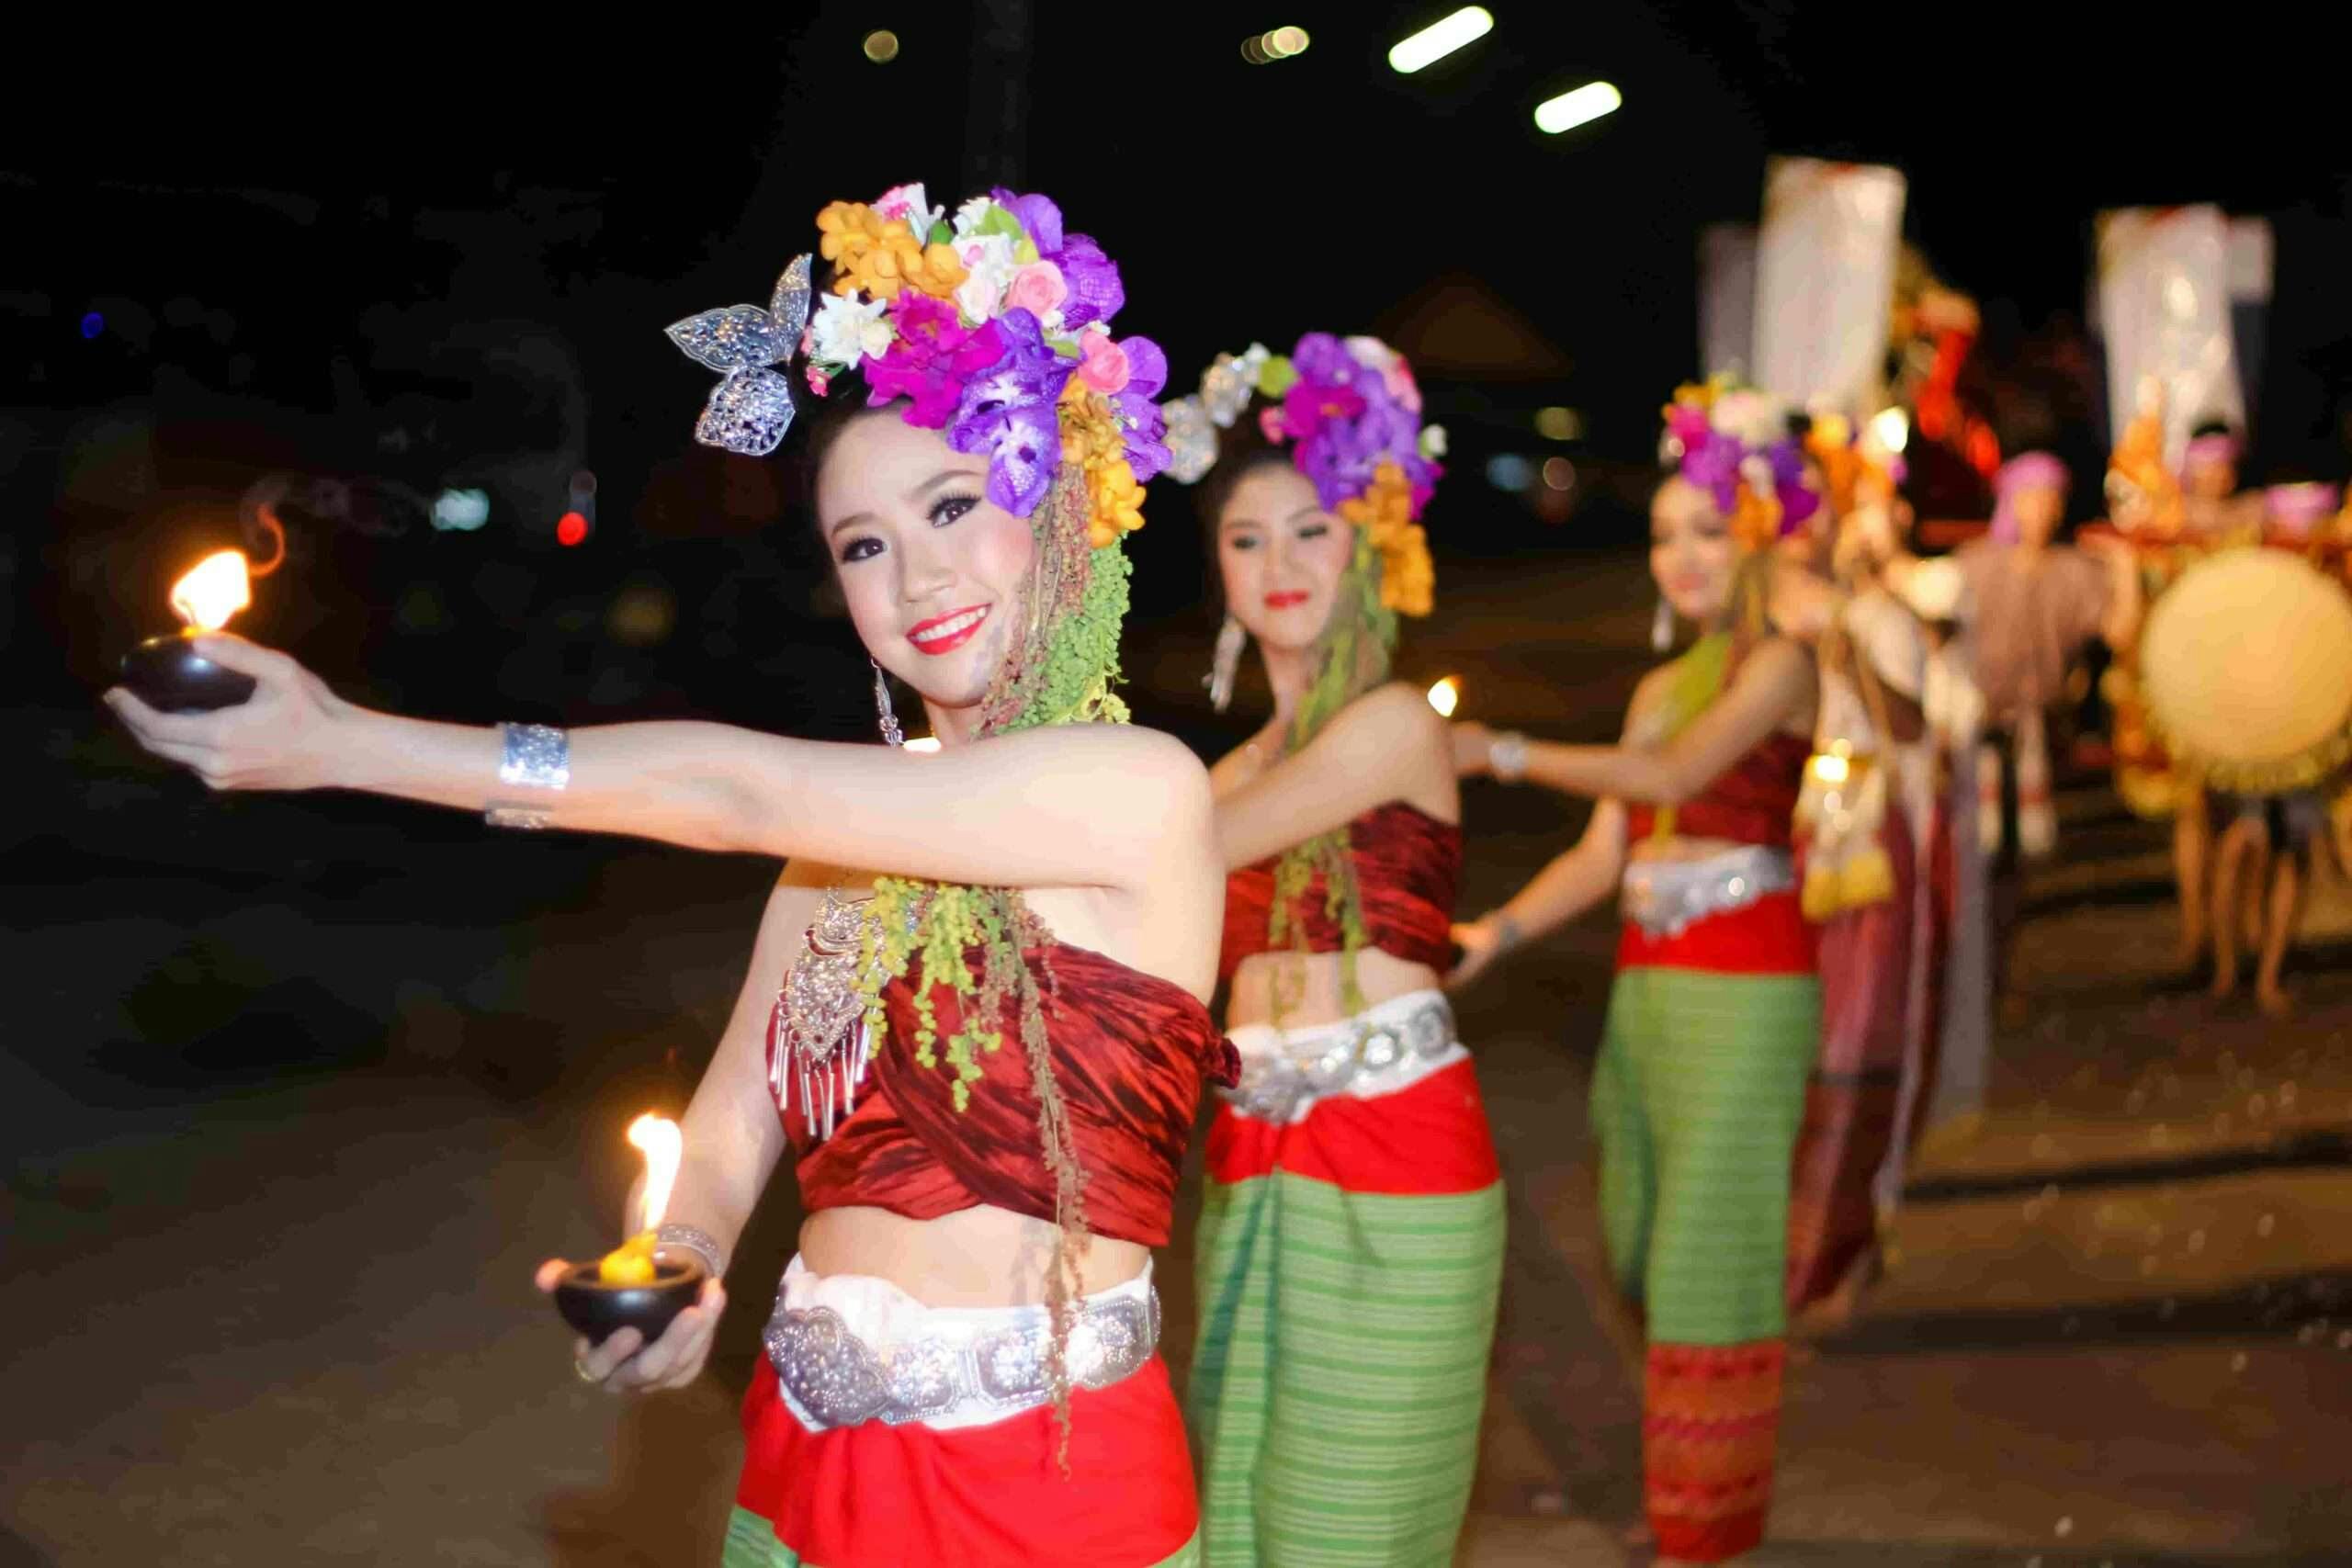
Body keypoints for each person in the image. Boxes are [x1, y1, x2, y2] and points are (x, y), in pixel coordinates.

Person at [107, 183, 1235, 1568]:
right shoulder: (847, 847)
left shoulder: (1139, 791)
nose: (917, 572)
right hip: (804, 1462)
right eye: (862, 543)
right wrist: (687, 1252)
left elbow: (727, 786)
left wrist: (352, 741)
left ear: (1053, 506)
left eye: (952, 504)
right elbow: (727, 1128)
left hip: (1045, 1496)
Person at [1451, 379, 1823, 1565]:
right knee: (1640, 1233)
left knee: (1708, 1249)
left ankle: (1703, 1527)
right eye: (1664, 536)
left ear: (1756, 532)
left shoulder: (1784, 665)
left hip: (1749, 988)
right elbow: (1610, 846)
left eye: (1705, 531)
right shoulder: (1662, 686)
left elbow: (1667, 783)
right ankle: (1690, 1490)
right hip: (1655, 983)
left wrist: (1501, 749)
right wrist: (1491, 932)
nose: (1680, 557)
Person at [1159, 336, 1501, 1566]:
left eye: (1310, 528)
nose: (1279, 563)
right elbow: (1154, 959)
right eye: (1245, 541)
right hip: (1255, 1150)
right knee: (1241, 1494)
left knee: (1350, 1518)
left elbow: (1171, 853)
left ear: (1364, 540)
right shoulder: (1224, 773)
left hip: (1401, 1145)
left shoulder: (1394, 725)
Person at [1775, 418, 1943, 1331]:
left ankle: (1844, 1254)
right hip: (1798, 841)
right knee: (1792, 1056)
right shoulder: (1766, 613)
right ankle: (1789, 1253)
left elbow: (1917, 730)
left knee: (1859, 1050)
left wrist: (1854, 663)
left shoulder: (1880, 615)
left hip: (1871, 847)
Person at [1915, 453, 2140, 1013]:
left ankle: (1996, 978)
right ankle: (1954, 978)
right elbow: (1928, 628)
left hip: (2031, 733)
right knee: (1963, 858)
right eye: (2030, 497)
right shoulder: (1972, 565)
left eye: (2049, 498)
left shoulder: (2072, 572)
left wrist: (2125, 567)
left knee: (2011, 866)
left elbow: (2120, 631)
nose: (2041, 511)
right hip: (1970, 729)